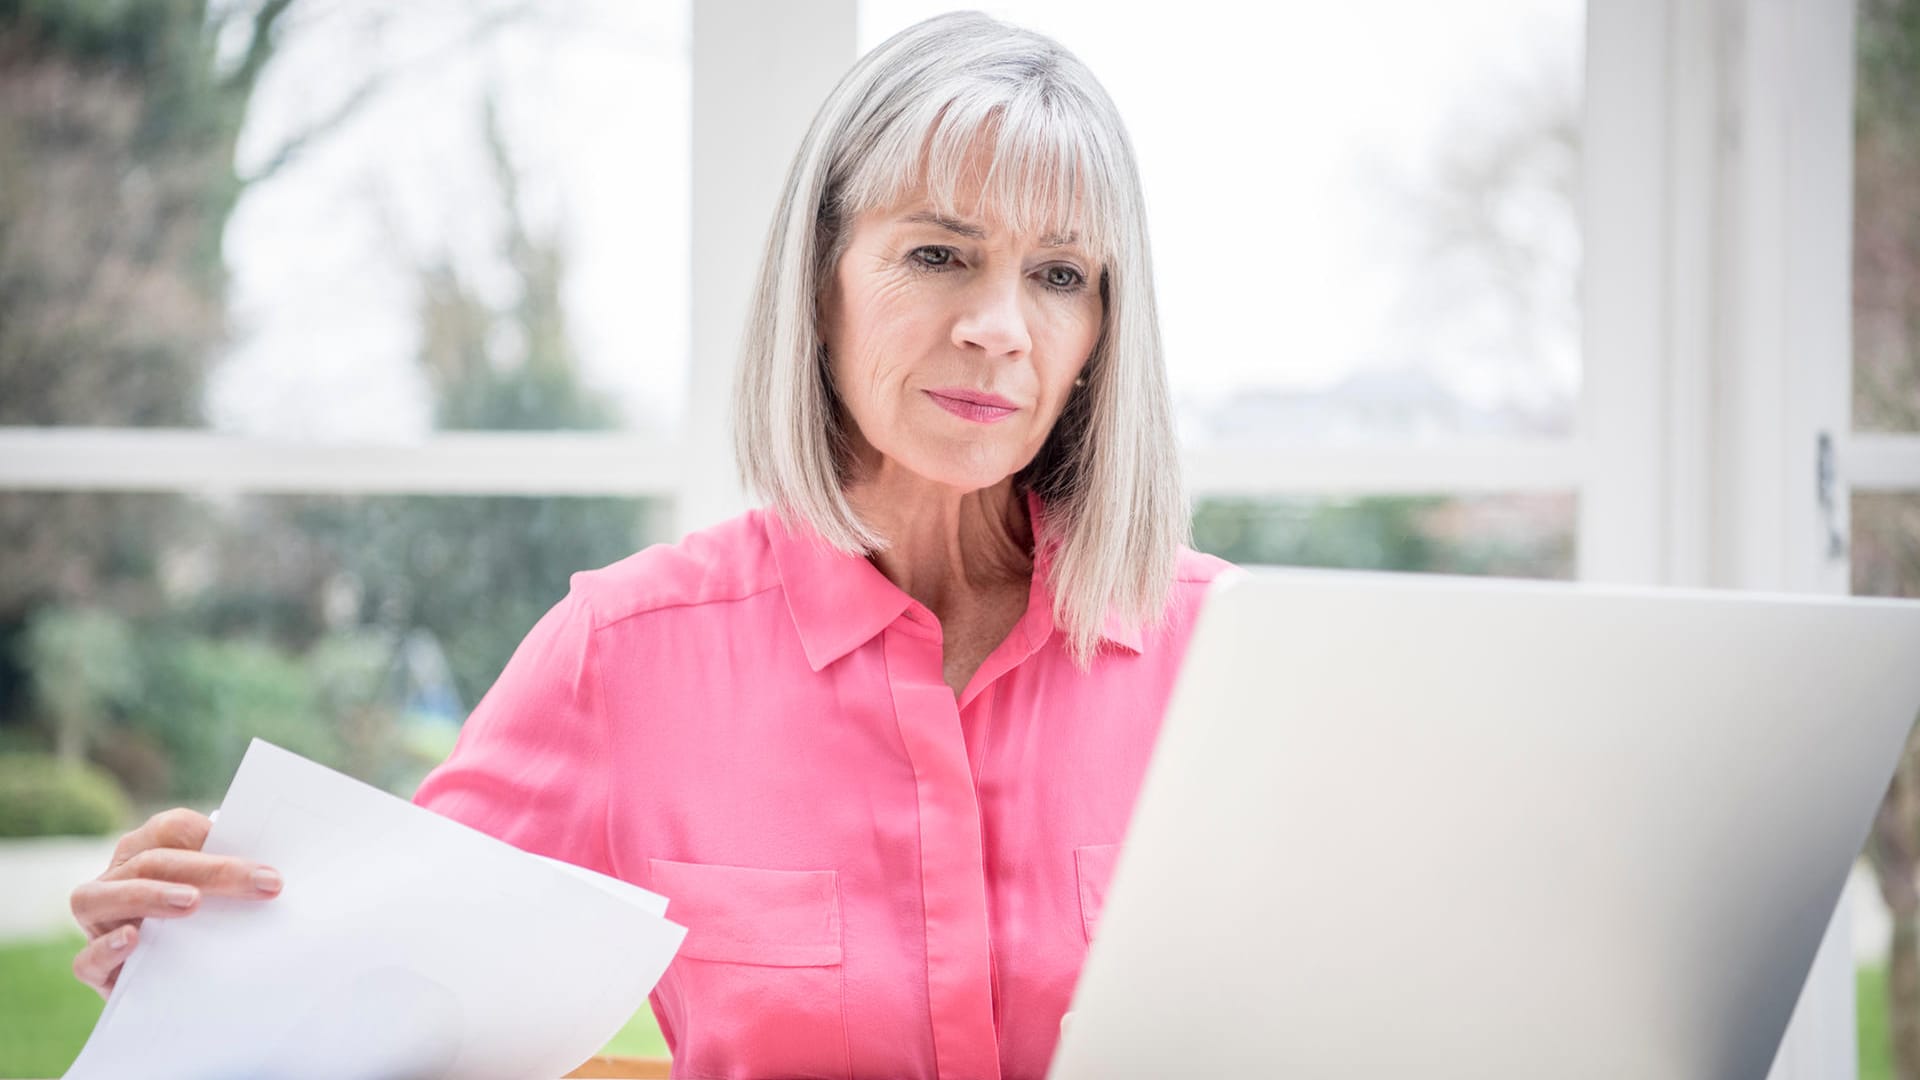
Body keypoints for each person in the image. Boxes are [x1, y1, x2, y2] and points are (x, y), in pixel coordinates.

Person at [68, 12, 1230, 1079]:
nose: (999, 327)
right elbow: (365, 993)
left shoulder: (1231, 658)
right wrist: (184, 940)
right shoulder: (624, 649)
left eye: (1060, 276)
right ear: (818, 281)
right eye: (938, 254)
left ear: (1103, 330)